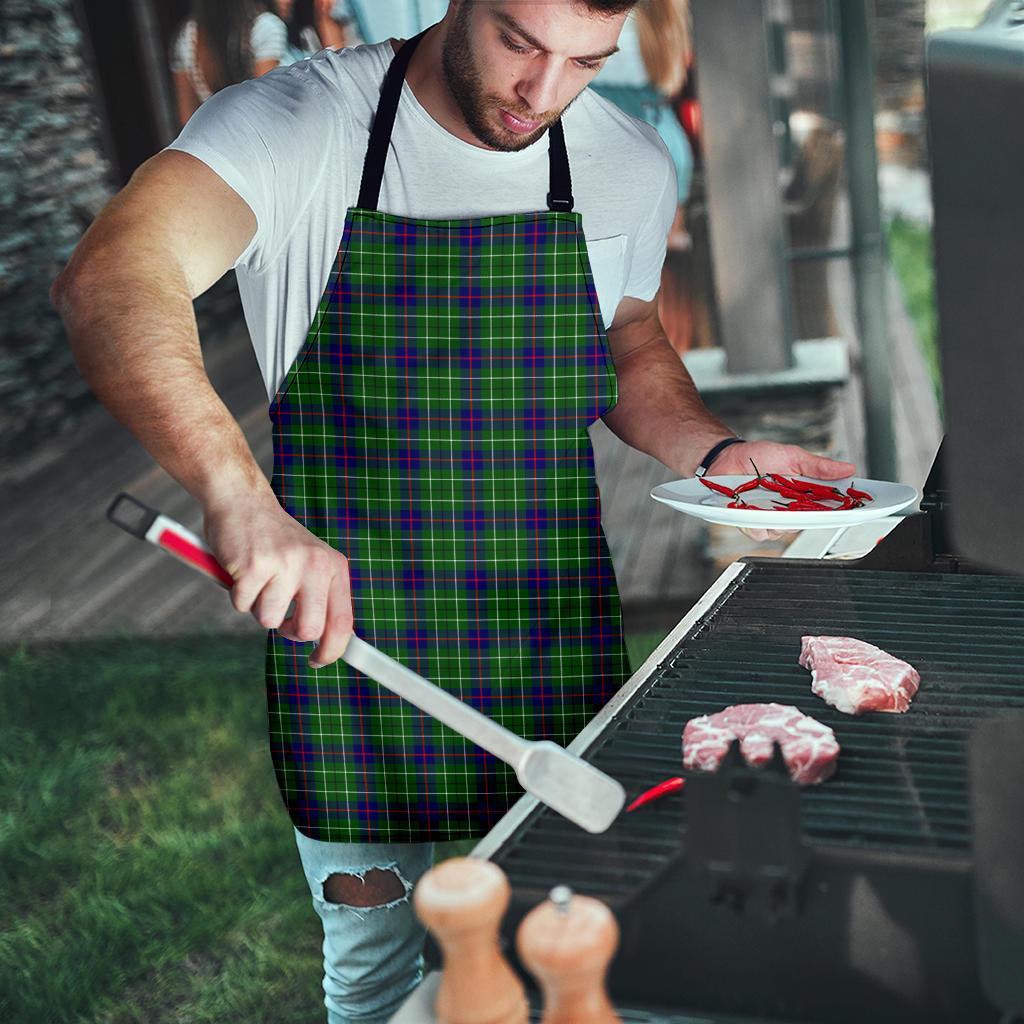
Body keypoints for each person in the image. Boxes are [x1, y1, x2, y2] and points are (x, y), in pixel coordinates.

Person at [52, 2, 856, 1020]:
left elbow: (628, 336)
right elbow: (112, 275)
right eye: (521, 43)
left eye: (585, 62)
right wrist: (238, 497)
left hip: (548, 635)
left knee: (569, 951)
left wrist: (718, 450)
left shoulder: (624, 160)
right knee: (379, 974)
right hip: (349, 650)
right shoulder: (298, 125)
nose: (543, 93)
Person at [169, 0, 289, 128]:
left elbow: (187, 120)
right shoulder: (265, 27)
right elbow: (269, 107)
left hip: (217, 141)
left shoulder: (187, 37)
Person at [274, 0, 350, 64]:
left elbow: (338, 62)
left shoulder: (307, 30)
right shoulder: (271, 26)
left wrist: (323, 17)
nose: (288, 2)